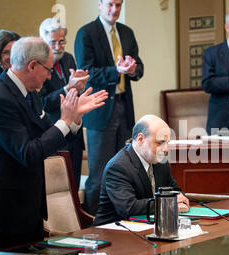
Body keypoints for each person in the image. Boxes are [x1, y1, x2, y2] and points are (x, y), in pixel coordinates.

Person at [0, 37, 108, 250]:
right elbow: (29, 153)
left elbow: (51, 134)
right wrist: (65, 120)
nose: (51, 75)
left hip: (31, 203)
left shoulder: (30, 93)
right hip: (9, 210)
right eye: (48, 70)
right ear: (32, 66)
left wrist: (75, 118)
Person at [75, 0, 144, 215]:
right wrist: (116, 71)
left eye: (118, 5)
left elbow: (139, 68)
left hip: (125, 106)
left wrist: (132, 70)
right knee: (99, 172)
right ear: (100, 4)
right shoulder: (86, 33)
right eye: (110, 4)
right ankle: (95, 222)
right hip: (100, 108)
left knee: (125, 168)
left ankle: (121, 218)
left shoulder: (126, 32)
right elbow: (86, 72)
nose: (114, 10)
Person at [93, 115, 189, 226]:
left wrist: (180, 199)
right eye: (159, 143)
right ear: (140, 139)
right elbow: (129, 208)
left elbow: (175, 191)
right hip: (114, 232)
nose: (166, 149)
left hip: (148, 227)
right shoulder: (118, 167)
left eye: (167, 143)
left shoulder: (161, 162)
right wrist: (169, 203)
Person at [39, 18, 89, 188]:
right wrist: (68, 88)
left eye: (61, 42)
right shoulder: (39, 63)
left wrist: (80, 88)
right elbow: (43, 102)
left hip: (73, 132)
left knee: (73, 181)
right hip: (53, 129)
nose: (58, 47)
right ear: (43, 41)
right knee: (56, 186)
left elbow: (75, 90)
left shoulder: (68, 58)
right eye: (53, 42)